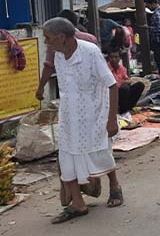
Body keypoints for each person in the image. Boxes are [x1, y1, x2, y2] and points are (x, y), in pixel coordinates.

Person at [41, 18, 123, 224]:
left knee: (100, 152)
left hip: (94, 114)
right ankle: (78, 204)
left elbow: (112, 85)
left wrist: (112, 119)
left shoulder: (90, 51)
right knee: (67, 159)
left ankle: (115, 187)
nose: (45, 42)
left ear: (61, 37)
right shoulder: (58, 55)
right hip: (69, 116)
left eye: (47, 38)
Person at [36, 10, 98, 101]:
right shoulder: (91, 39)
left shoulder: (55, 43)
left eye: (47, 38)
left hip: (70, 92)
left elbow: (48, 66)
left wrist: (41, 88)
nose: (46, 41)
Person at [106, 50, 144, 116]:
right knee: (123, 89)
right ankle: (123, 111)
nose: (113, 59)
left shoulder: (122, 68)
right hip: (111, 93)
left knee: (140, 85)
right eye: (111, 57)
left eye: (116, 57)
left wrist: (125, 83)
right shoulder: (106, 69)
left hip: (122, 92)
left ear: (119, 58)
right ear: (108, 58)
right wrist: (122, 83)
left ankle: (128, 108)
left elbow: (127, 80)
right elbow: (111, 84)